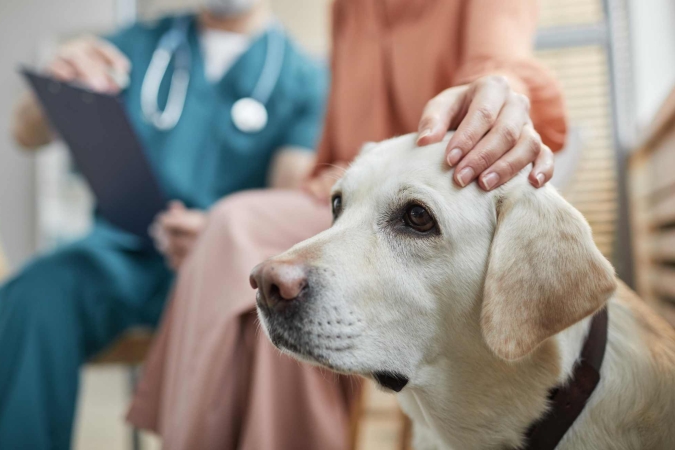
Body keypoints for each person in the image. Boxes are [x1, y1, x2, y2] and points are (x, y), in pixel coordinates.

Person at [126, 0, 567, 449]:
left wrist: (496, 94)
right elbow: (333, 161)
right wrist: (240, 229)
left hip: (439, 216)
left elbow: (500, 63)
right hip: (347, 204)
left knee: (236, 229)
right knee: (240, 247)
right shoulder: (348, 6)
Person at [0, 1, 327, 448]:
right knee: (34, 294)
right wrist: (56, 82)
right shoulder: (139, 46)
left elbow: (283, 196)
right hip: (117, 256)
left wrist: (217, 230)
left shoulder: (303, 78)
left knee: (258, 336)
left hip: (218, 268)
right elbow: (24, 133)